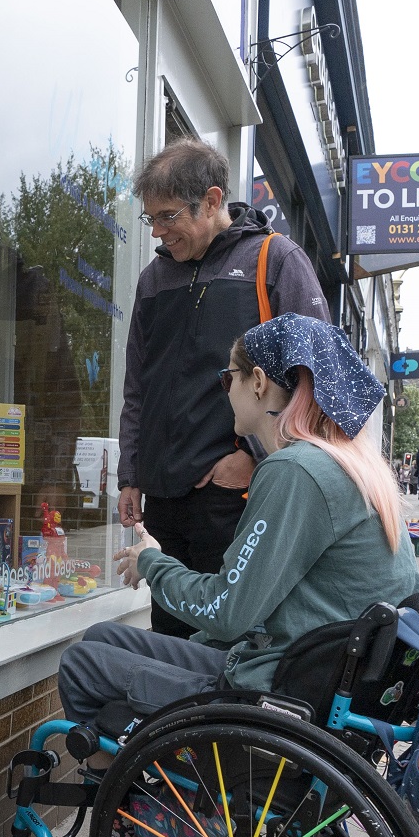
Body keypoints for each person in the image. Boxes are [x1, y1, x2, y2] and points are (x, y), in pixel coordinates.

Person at [57, 313, 418, 736]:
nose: (225, 391)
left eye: (229, 379)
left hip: (276, 700)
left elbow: (226, 613)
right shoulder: (347, 464)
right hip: (307, 677)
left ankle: (128, 795)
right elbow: (249, 607)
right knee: (106, 636)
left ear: (259, 382)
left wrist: (153, 563)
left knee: (81, 664)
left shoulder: (297, 471)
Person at [117, 138, 331, 638]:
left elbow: (320, 376)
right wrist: (132, 473)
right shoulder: (154, 279)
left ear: (212, 202)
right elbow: (137, 386)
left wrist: (257, 458)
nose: (158, 231)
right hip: (164, 496)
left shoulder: (274, 261)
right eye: (151, 219)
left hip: (234, 493)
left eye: (168, 216)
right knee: (168, 634)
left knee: (228, 638)